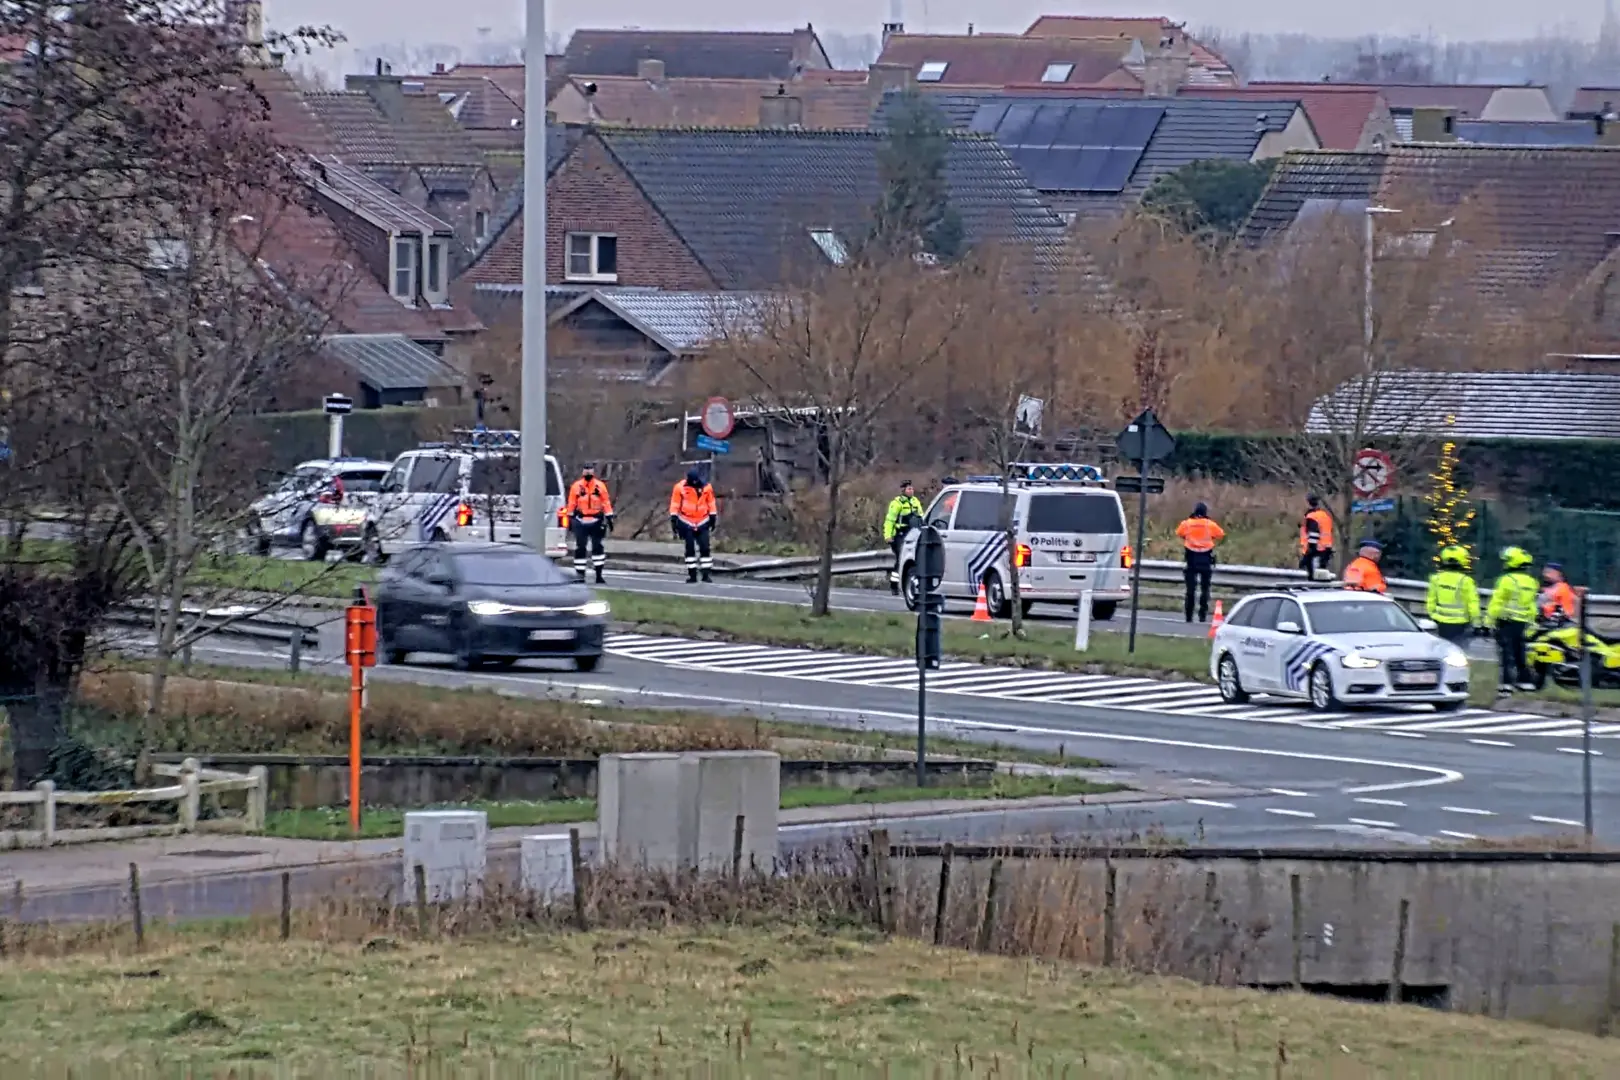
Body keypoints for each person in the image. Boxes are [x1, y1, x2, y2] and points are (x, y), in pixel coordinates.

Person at [1487, 545, 1540, 695]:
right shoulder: (1531, 581)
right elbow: (1532, 604)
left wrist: (1488, 621)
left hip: (1506, 622)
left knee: (1506, 655)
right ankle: (1526, 682)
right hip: (1522, 622)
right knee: (1520, 653)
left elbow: (1497, 602)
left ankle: (1506, 685)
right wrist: (1531, 621)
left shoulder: (1506, 580)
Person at [560, 463, 614, 584]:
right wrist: (569, 519)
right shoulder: (576, 486)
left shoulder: (600, 486)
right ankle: (580, 575)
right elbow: (572, 503)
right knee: (580, 548)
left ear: (593, 472)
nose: (588, 473)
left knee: (597, 547)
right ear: (583, 472)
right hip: (580, 520)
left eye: (590, 471)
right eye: (586, 471)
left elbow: (606, 502)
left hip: (597, 519)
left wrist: (609, 517)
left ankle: (599, 575)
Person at [1174, 502, 1225, 623]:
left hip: (1191, 559)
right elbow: (1220, 534)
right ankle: (1202, 615)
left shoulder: (1186, 524)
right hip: (1205, 560)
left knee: (1190, 590)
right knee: (1205, 590)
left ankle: (1189, 616)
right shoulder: (1210, 525)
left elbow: (1179, 533)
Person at [669, 468, 718, 584]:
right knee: (689, 548)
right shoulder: (680, 488)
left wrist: (713, 517)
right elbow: (675, 504)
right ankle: (692, 575)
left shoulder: (707, 487)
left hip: (703, 520)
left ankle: (706, 574)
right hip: (686, 520)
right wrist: (674, 519)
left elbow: (711, 503)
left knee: (705, 548)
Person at [1425, 545, 1480, 644]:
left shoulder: (1436, 578)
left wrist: (1432, 616)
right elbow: (1473, 604)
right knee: (1457, 652)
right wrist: (1476, 623)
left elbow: (1430, 600)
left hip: (1439, 622)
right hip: (1460, 624)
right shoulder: (1466, 581)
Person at [882, 480, 924, 595]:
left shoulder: (915, 501)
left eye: (912, 489)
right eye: (909, 489)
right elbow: (890, 521)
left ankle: (908, 583)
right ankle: (894, 585)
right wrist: (888, 536)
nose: (911, 491)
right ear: (903, 491)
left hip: (912, 533)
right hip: (899, 535)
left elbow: (921, 517)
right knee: (901, 558)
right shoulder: (897, 503)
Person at [1298, 494, 1335, 580]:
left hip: (1315, 551)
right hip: (1326, 549)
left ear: (1308, 503)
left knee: (1312, 576)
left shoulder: (1312, 517)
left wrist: (1310, 550)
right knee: (1321, 574)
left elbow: (1314, 533)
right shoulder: (1325, 515)